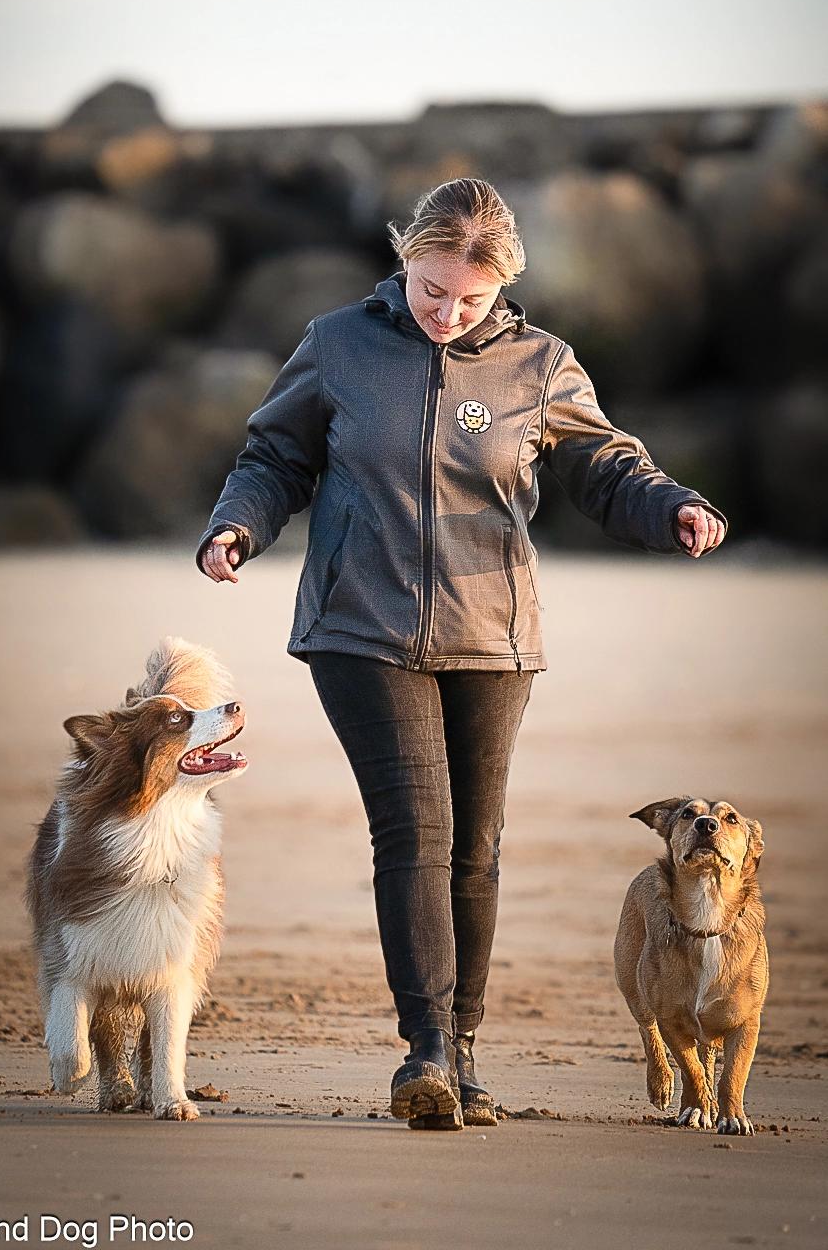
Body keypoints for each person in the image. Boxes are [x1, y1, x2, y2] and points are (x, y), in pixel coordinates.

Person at [195, 177, 727, 1132]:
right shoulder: (339, 345)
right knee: (416, 832)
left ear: (503, 288)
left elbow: (608, 467)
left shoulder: (540, 364)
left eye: (469, 299)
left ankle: (465, 1050)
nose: (445, 314)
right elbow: (274, 457)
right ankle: (426, 1051)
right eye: (431, 290)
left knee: (475, 851)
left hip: (493, 635)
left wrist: (674, 506)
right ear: (406, 260)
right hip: (361, 628)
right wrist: (237, 526)